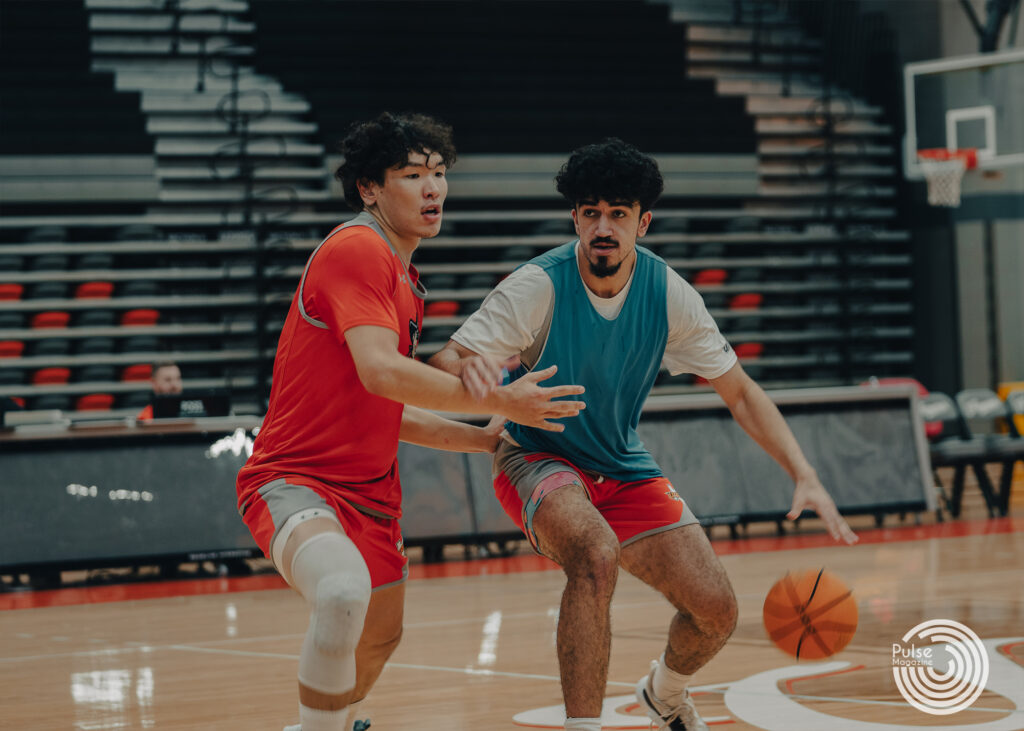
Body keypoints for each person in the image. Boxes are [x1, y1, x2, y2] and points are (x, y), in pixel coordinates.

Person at [429, 138, 858, 731]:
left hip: (621, 466)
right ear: (575, 217)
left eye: (619, 213)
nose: (603, 226)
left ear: (642, 221)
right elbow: (445, 362)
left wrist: (803, 472)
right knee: (596, 554)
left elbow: (740, 392)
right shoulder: (538, 286)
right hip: (538, 457)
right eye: (591, 212)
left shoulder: (670, 294)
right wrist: (478, 379)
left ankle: (664, 694)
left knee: (716, 611)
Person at [234, 112, 585, 731]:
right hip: (296, 480)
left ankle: (330, 722)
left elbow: (388, 410)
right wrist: (500, 401)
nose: (433, 189)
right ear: (370, 187)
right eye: (412, 174)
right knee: (343, 594)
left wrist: (481, 439)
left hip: (374, 495)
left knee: (378, 638)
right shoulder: (357, 249)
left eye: (440, 173)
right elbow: (381, 373)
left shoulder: (405, 282)